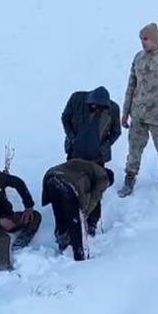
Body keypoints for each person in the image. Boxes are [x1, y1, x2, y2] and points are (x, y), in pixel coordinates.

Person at [119, 22, 158, 197]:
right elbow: (131, 86)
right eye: (141, 39)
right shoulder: (138, 58)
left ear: (155, 39)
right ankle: (129, 178)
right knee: (134, 148)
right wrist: (125, 112)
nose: (142, 42)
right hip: (138, 114)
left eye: (146, 39)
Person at [61, 85, 121, 234]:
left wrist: (104, 146)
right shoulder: (77, 99)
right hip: (75, 153)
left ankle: (92, 221)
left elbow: (116, 132)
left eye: (102, 108)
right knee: (73, 185)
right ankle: (70, 218)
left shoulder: (113, 108)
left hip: (97, 157)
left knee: (95, 188)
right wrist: (72, 137)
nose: (98, 109)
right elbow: (65, 118)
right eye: (95, 106)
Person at [41, 159, 113, 261]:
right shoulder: (103, 176)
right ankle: (79, 256)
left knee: (60, 215)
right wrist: (84, 213)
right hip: (68, 184)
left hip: (51, 178)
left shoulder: (86, 166)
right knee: (75, 223)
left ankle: (63, 243)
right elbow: (94, 198)